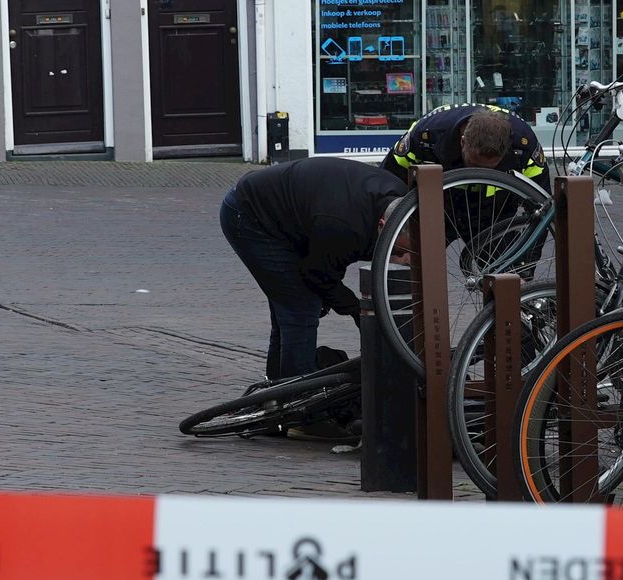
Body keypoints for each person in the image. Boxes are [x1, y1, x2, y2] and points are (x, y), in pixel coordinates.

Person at [220, 157, 408, 383]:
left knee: (288, 310)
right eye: (398, 250)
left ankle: (275, 389)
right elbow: (318, 273)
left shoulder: (401, 202)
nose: (403, 259)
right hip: (250, 216)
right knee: (300, 307)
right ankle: (295, 397)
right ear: (382, 226)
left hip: (294, 216)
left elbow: (330, 260)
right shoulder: (345, 226)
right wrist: (357, 311)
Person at [381, 103, 550, 193]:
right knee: (425, 253)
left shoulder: (523, 142)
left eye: (490, 169)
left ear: (506, 149)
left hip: (495, 211)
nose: (478, 174)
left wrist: (529, 257)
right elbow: (388, 177)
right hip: (440, 202)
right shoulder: (427, 133)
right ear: (462, 141)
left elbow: (541, 202)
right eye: (474, 165)